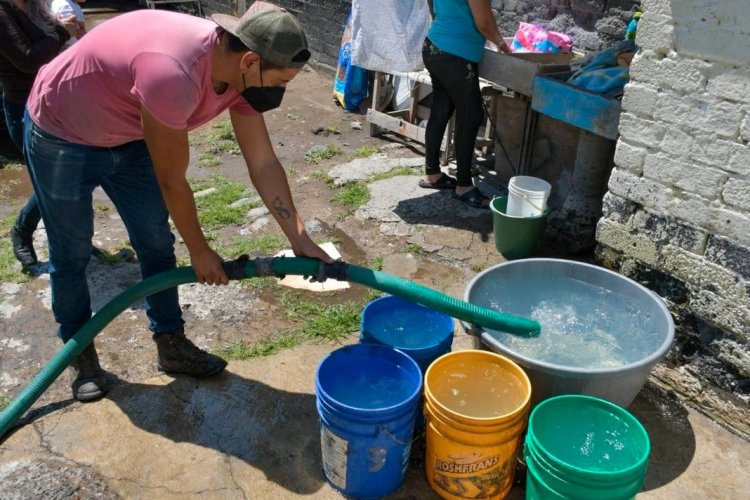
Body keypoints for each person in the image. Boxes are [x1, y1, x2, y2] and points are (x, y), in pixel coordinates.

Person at [24, 7, 333, 402]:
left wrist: (299, 236)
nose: (281, 91)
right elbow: (173, 179)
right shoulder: (174, 72)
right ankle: (79, 352)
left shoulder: (240, 75)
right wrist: (200, 250)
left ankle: (170, 343)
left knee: (154, 241)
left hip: (129, 131)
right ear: (250, 60)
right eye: (281, 80)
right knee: (71, 252)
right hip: (63, 130)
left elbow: (263, 161)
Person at [0, 0, 80, 270]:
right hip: (24, 107)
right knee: (53, 179)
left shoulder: (39, 4)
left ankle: (77, 237)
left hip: (58, 99)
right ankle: (22, 229)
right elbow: (28, 58)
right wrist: (63, 33)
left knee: (73, 173)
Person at [418, 0, 508, 209]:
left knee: (441, 107)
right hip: (455, 54)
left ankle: (433, 174)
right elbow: (484, 22)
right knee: (471, 116)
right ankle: (464, 186)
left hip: (435, 45)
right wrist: (503, 45)